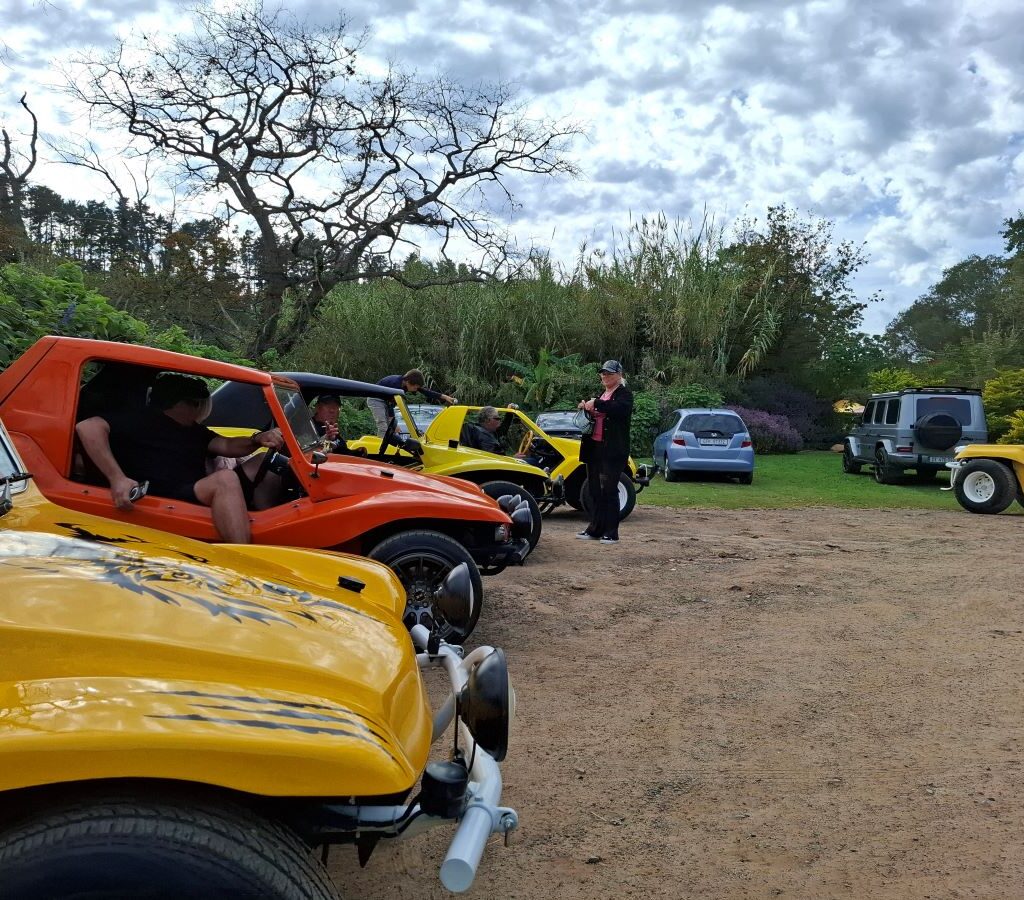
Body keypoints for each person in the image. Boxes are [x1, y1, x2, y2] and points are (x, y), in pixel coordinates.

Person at [76, 372, 285, 544]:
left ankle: (267, 521)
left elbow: (227, 445)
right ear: (182, 404)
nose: (201, 408)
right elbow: (88, 427)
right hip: (163, 495)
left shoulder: (194, 430)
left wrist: (258, 439)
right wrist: (117, 479)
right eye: (197, 403)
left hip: (190, 488)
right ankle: (243, 557)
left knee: (266, 462)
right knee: (225, 479)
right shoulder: (140, 420)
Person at [576, 360, 633, 545]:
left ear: (619, 375)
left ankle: (611, 532)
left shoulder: (624, 394)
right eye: (602, 373)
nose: (604, 376)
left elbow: (620, 410)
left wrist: (597, 403)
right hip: (595, 447)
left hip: (613, 449)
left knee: (609, 490)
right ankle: (595, 528)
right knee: (594, 490)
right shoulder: (603, 394)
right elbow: (600, 411)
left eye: (609, 373)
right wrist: (587, 408)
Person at [369, 369, 457, 436]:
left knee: (390, 427)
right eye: (415, 387)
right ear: (408, 382)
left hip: (386, 400)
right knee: (383, 424)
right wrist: (393, 421)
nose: (416, 389)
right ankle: (379, 449)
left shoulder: (406, 383)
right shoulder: (395, 384)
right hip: (376, 399)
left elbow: (426, 392)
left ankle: (389, 445)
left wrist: (444, 397)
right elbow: (391, 404)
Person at [311, 393, 367, 457]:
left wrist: (356, 452)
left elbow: (343, 452)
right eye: (327, 405)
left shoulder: (332, 428)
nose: (332, 410)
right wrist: (327, 439)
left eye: (335, 406)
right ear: (317, 407)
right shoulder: (310, 428)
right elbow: (317, 456)